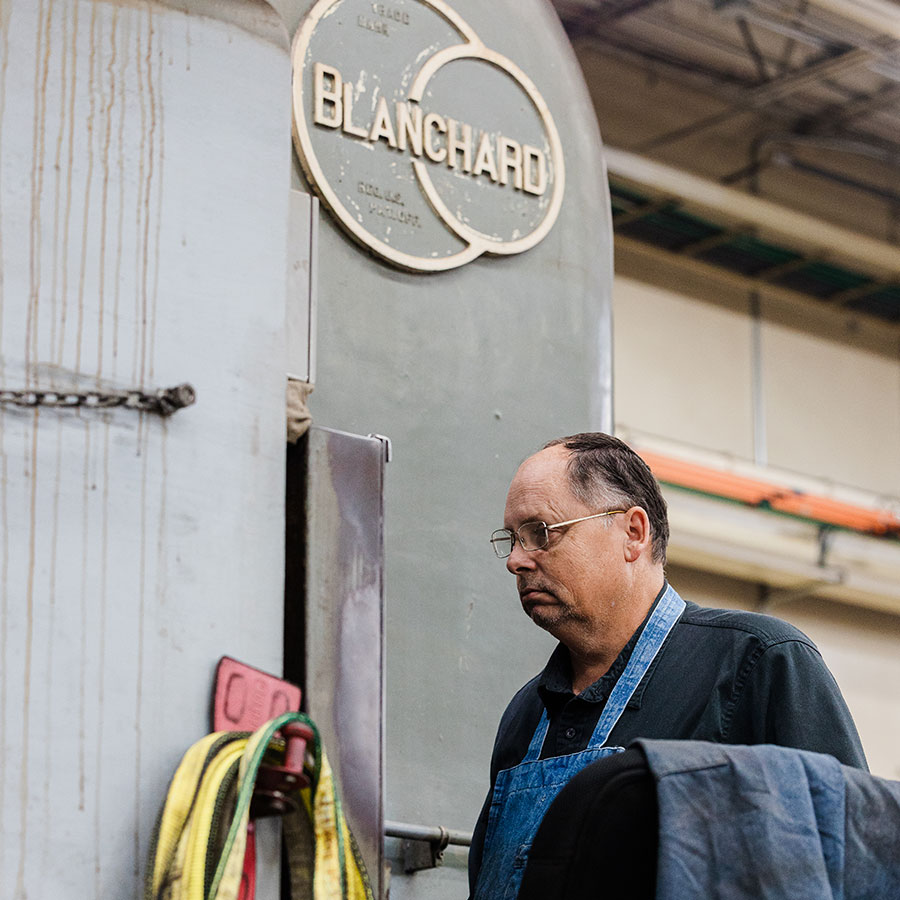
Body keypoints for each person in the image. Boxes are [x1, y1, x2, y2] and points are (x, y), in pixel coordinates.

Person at [469, 432, 868, 900]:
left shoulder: (757, 663)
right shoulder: (525, 714)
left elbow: (854, 871)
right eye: (512, 539)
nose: (516, 560)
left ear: (632, 533)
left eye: (541, 533)